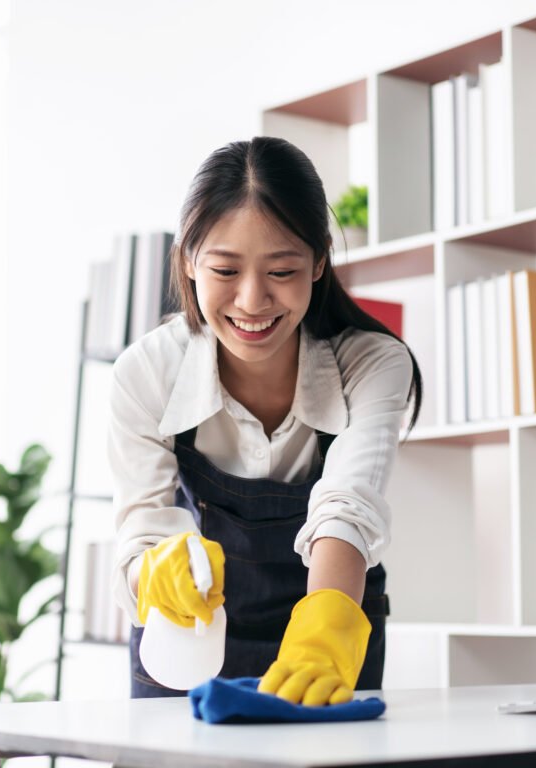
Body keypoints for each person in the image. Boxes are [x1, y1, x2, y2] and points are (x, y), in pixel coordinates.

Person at [108, 136, 422, 704]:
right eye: (225, 269)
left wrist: (324, 634)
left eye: (282, 270)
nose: (252, 301)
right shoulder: (146, 373)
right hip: (189, 640)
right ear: (188, 260)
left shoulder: (373, 364)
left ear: (319, 260)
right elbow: (141, 530)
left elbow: (347, 507)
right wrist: (155, 573)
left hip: (329, 630)